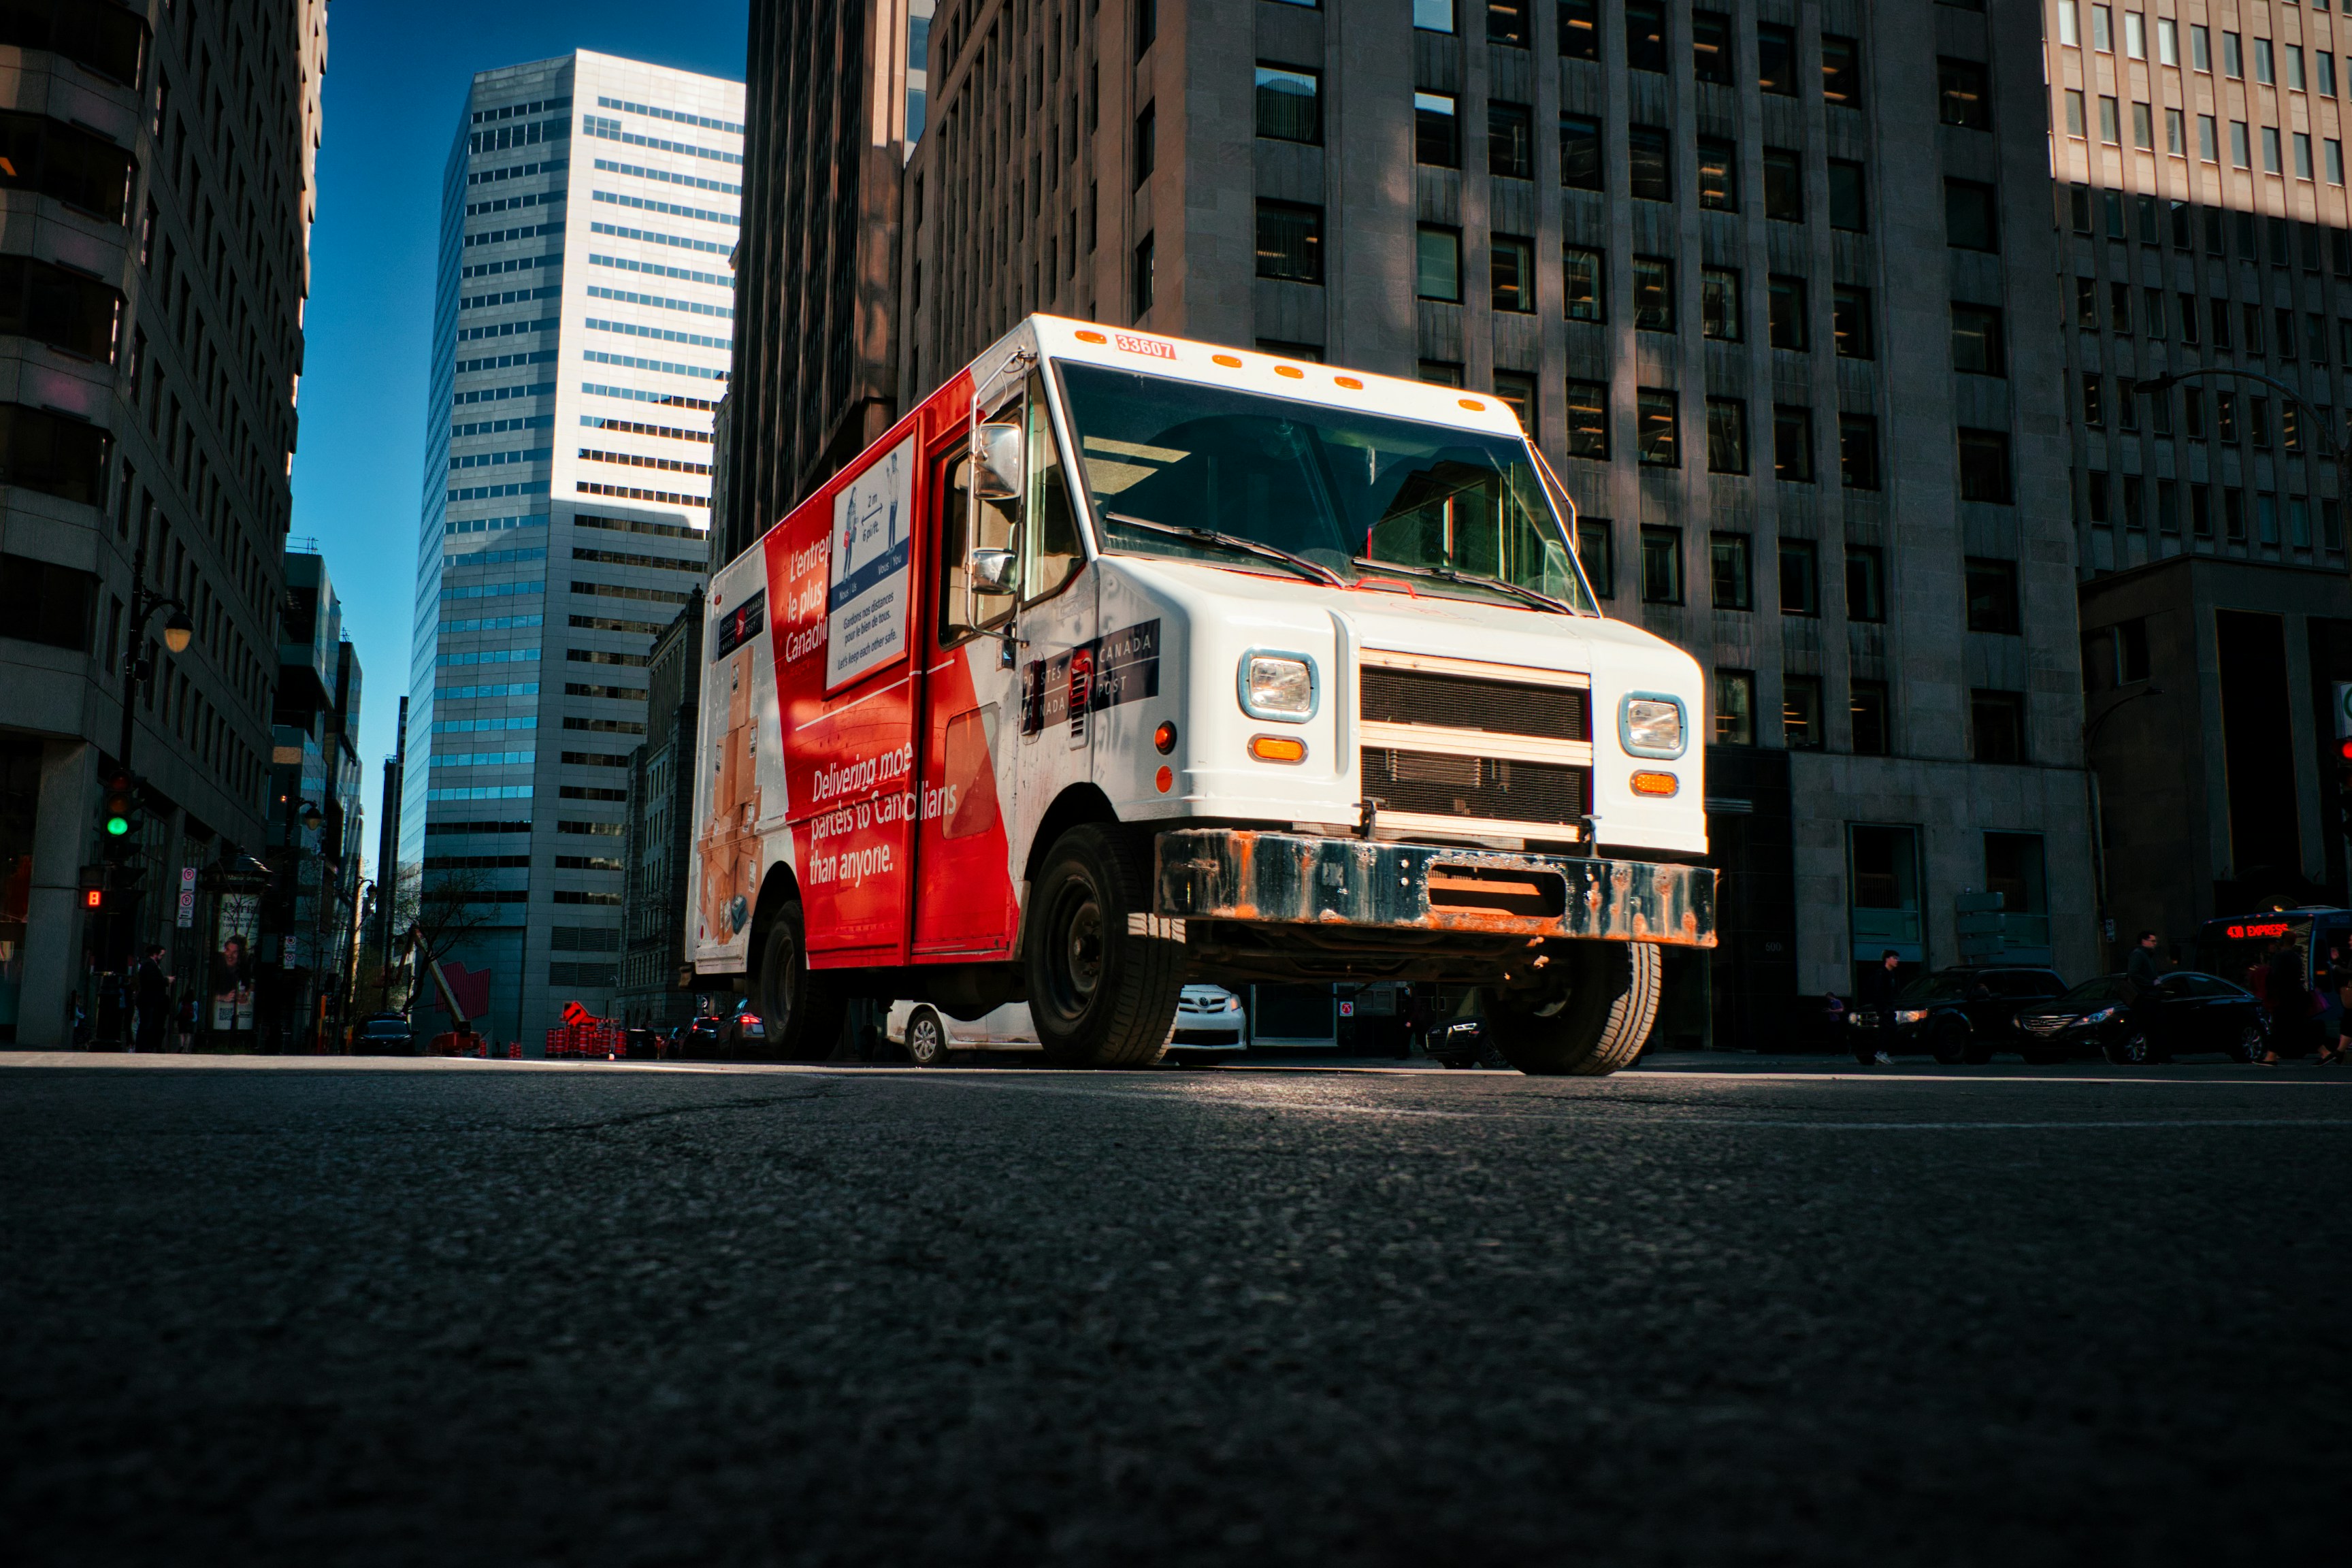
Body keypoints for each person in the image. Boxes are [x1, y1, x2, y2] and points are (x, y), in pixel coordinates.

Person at [1855, 949, 1901, 1065]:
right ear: (1887, 959)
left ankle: (1882, 1052)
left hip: (1889, 1006)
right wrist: (1884, 1007)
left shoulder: (1891, 974)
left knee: (1888, 1029)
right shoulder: (1881, 974)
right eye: (1894, 958)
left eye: (1897, 958)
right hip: (1884, 1007)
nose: (1897, 961)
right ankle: (1881, 1052)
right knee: (1889, 1028)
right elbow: (1877, 992)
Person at [2125, 929, 2165, 1054]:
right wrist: (2151, 983)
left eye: (2155, 941)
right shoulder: (2139, 954)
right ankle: (2154, 1054)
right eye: (2152, 941)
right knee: (2148, 1027)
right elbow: (2133, 973)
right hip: (2145, 997)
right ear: (2144, 941)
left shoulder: (2146, 955)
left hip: (2149, 996)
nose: (2155, 943)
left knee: (2151, 1027)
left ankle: (2155, 1054)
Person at [133, 945, 171, 1054]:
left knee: (150, 1024)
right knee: (146, 1024)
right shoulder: (149, 964)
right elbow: (152, 981)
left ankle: (147, 1046)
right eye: (161, 955)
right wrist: (166, 980)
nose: (162, 957)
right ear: (155, 954)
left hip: (151, 1000)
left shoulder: (151, 964)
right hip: (148, 1000)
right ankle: (143, 1047)